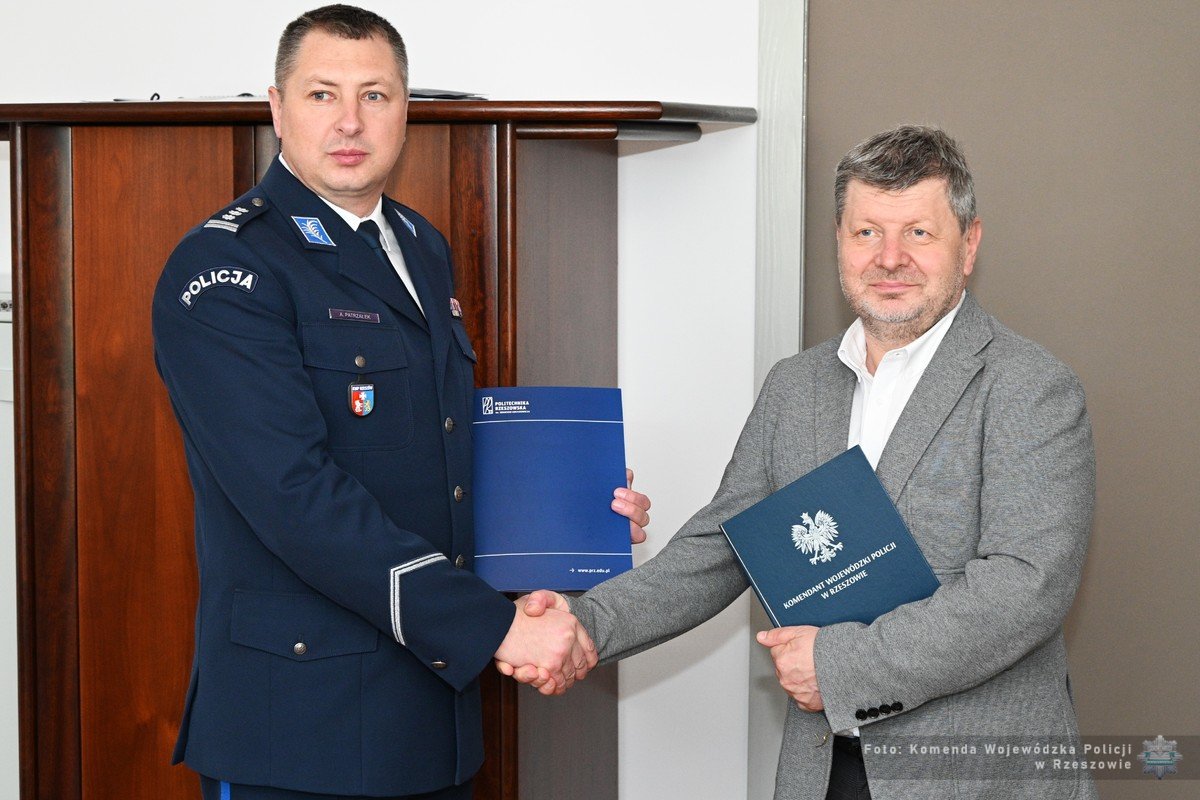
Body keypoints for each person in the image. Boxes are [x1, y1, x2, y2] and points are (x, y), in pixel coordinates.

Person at [510, 126, 1096, 800]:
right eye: (867, 232)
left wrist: (839, 666)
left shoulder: (1030, 387)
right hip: (823, 769)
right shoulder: (796, 386)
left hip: (970, 776)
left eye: (919, 233)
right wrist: (585, 624)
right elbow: (722, 546)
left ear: (969, 245)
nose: (890, 258)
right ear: (839, 241)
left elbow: (1022, 590)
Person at [152, 5, 649, 799]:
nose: (350, 121)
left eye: (375, 95)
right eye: (322, 94)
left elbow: (439, 453)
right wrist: (495, 628)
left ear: (405, 109)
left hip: (426, 712)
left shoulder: (417, 243)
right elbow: (294, 497)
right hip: (300, 727)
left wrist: (568, 518)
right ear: (277, 107)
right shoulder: (225, 271)